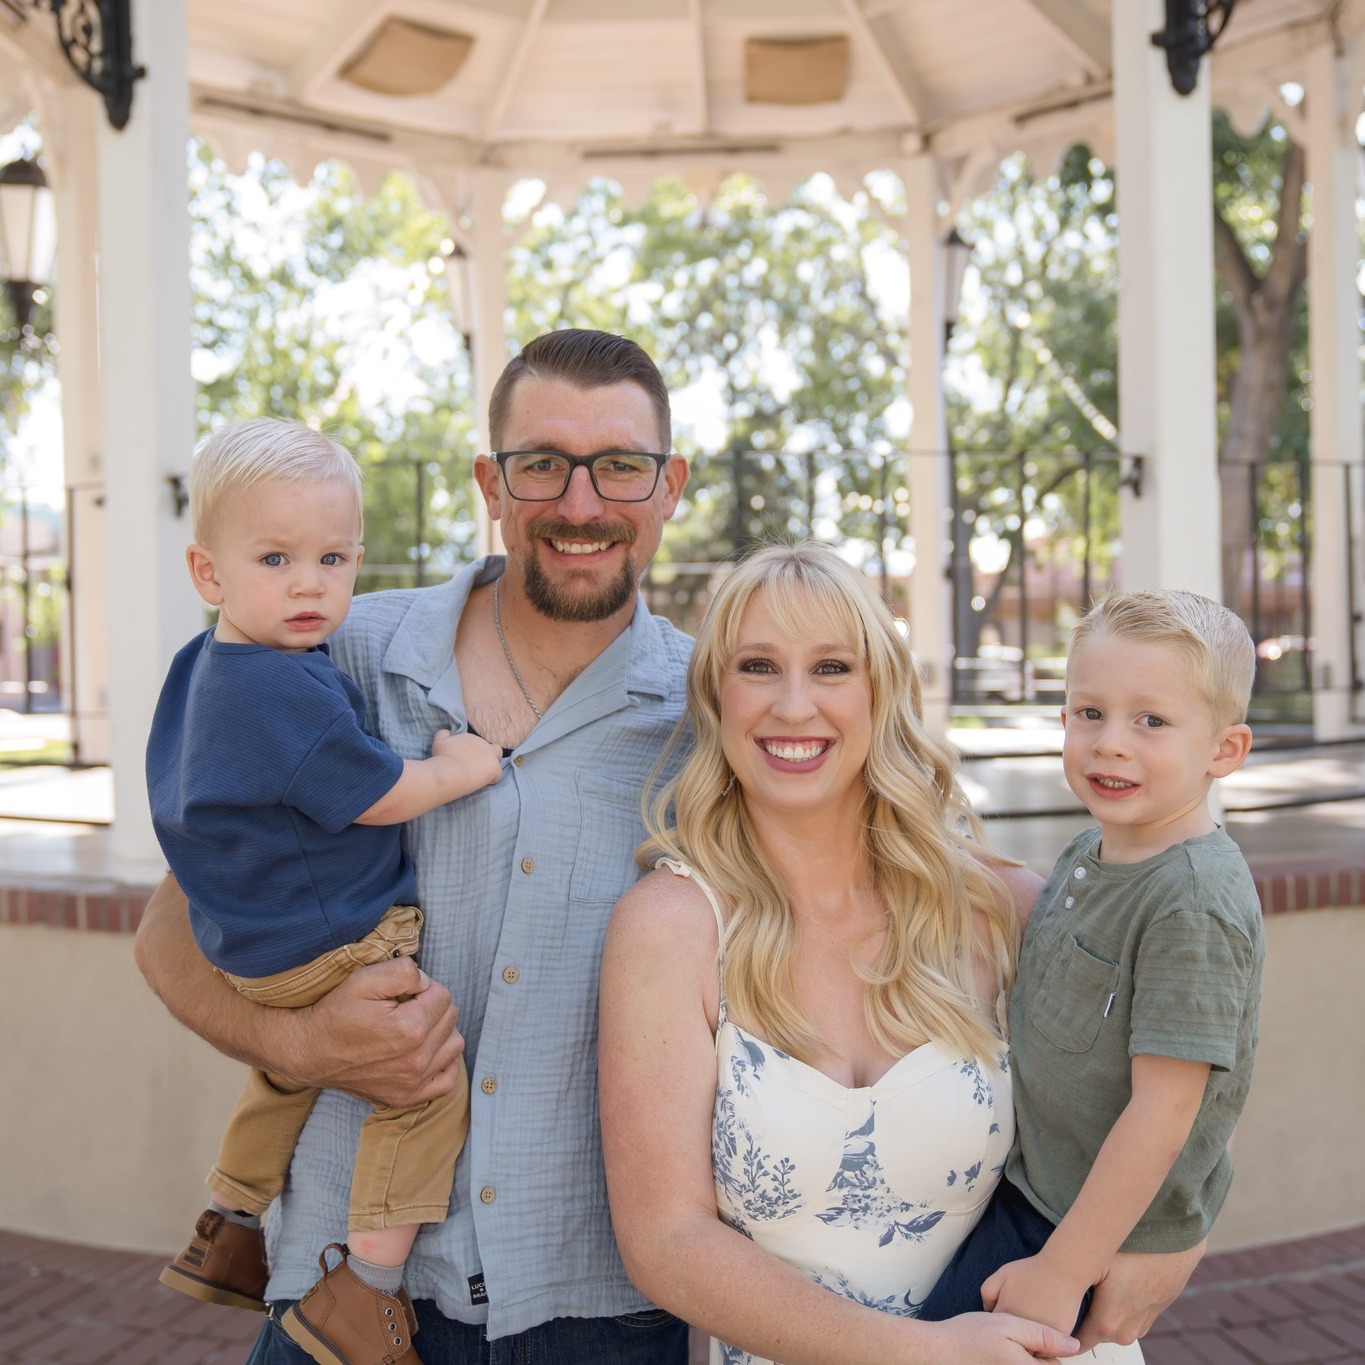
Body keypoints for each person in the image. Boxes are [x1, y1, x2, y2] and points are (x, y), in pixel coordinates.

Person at [134, 330, 694, 1364]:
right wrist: (301, 1047)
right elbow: (170, 935)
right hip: (334, 1297)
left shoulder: (711, 721)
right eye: (541, 465)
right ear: (492, 482)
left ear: (670, 487)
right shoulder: (326, 649)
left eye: (620, 465)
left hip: (599, 1306)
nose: (581, 503)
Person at [600, 541, 1086, 1365]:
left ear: (879, 691)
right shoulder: (670, 929)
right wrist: (920, 1353)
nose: (794, 706)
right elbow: (665, 1239)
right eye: (758, 665)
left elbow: (1155, 1095)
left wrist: (1162, 1248)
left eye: (831, 667)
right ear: (716, 697)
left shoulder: (996, 907)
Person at [146, 418, 504, 1363]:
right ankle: (366, 1289)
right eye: (276, 557)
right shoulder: (283, 689)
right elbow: (383, 792)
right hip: (335, 939)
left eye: (334, 557)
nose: (310, 583)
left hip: (253, 947)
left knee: (291, 1068)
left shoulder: (204, 667)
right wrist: (459, 767)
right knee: (424, 1079)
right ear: (209, 573)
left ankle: (229, 1216)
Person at [918, 589, 1264, 1343]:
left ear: (1223, 751)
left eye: (1151, 720)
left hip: (1071, 1225)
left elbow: (1164, 1111)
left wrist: (1064, 1268)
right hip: (1036, 1185)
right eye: (1088, 712)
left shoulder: (1189, 903)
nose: (1109, 742)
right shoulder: (1091, 850)